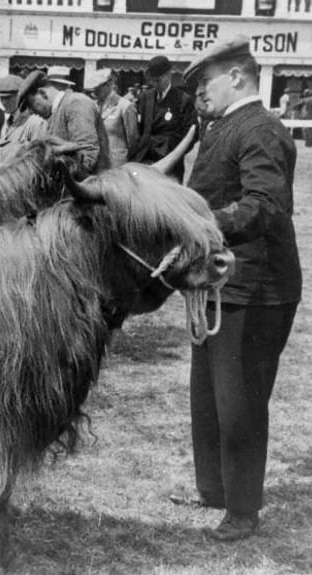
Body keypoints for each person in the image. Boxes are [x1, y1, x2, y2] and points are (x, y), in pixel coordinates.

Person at [171, 36, 302, 543]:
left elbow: (266, 205)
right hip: (222, 285)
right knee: (207, 398)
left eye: (204, 82)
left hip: (256, 290)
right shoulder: (225, 126)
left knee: (239, 403)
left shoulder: (260, 129)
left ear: (237, 78)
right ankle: (214, 491)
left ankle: (243, 509)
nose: (198, 94)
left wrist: (198, 223)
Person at [16, 67, 110, 178]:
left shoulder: (76, 103)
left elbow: (88, 156)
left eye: (30, 104)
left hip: (92, 186)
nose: (31, 112)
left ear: (42, 93)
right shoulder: (56, 112)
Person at [133, 55, 197, 182]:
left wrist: (172, 151)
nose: (155, 84)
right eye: (153, 80)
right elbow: (139, 129)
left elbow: (192, 134)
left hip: (170, 164)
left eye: (159, 80)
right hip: (145, 161)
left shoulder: (183, 100)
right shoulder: (145, 98)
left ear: (169, 75)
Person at [84, 68, 139, 167]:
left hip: (117, 163)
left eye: (98, 88)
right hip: (98, 163)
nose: (94, 92)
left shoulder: (124, 106)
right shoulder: (94, 106)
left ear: (109, 85)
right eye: (93, 89)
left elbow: (132, 139)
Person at [0, 74, 45, 165]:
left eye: (8, 98)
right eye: (1, 98)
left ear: (22, 96)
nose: (4, 102)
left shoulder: (35, 123)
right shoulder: (7, 123)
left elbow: (37, 161)